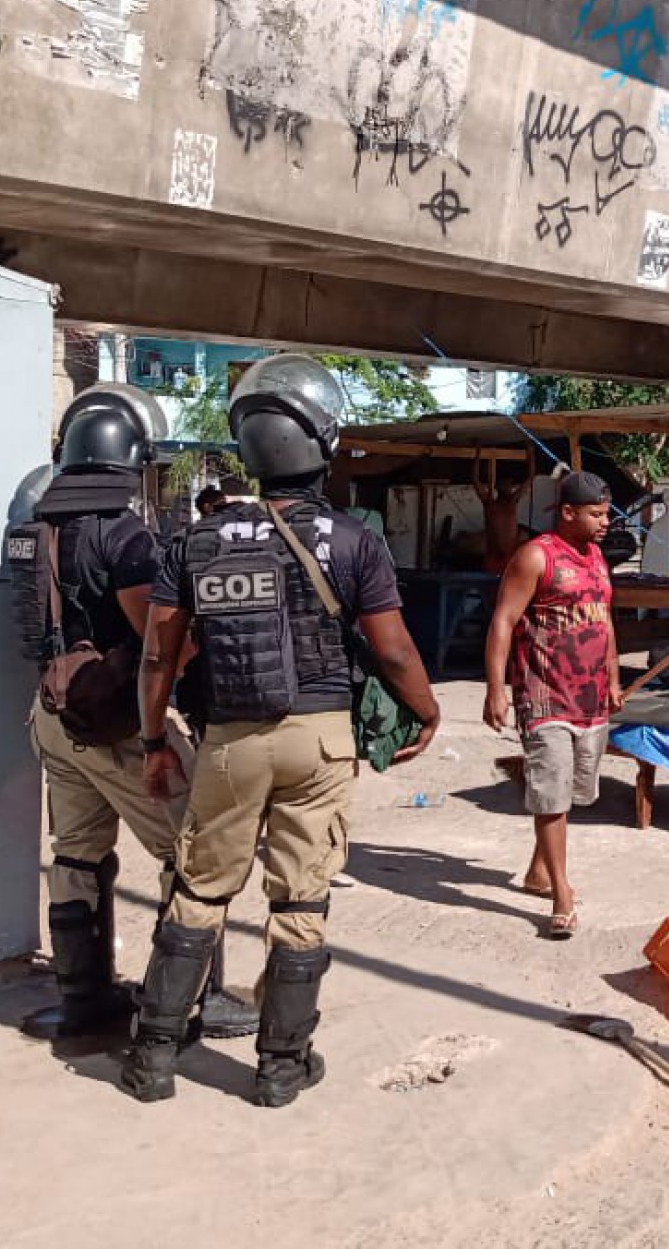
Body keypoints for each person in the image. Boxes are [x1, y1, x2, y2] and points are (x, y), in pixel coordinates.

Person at [122, 353, 441, 1107]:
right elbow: (392, 649)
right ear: (322, 442)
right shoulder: (353, 540)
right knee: (300, 899)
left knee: (199, 893)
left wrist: (152, 742)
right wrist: (427, 710)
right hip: (322, 739)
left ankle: (155, 1059)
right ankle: (280, 1066)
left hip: (231, 741)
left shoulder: (196, 543)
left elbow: (159, 656)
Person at [5, 384, 256, 1042]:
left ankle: (84, 999)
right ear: (129, 459)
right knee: (195, 850)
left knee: (77, 854)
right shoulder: (122, 536)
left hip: (54, 717)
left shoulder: (38, 531)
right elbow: (161, 643)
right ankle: (194, 999)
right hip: (117, 722)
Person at [483, 470, 619, 940]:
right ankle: (561, 895)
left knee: (574, 793)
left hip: (591, 696)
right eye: (596, 514)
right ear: (567, 512)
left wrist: (614, 678)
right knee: (551, 795)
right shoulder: (535, 556)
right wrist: (495, 687)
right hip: (544, 696)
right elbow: (503, 620)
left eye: (605, 514)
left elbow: (605, 621)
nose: (605, 523)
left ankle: (539, 871)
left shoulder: (597, 558)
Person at [472, 452, 528, 574]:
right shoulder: (490, 503)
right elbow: (475, 480)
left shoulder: (513, 502)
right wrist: (478, 452)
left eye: (510, 485)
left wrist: (531, 452)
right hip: (493, 557)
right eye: (506, 484)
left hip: (509, 558)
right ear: (499, 486)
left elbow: (529, 479)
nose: (509, 487)